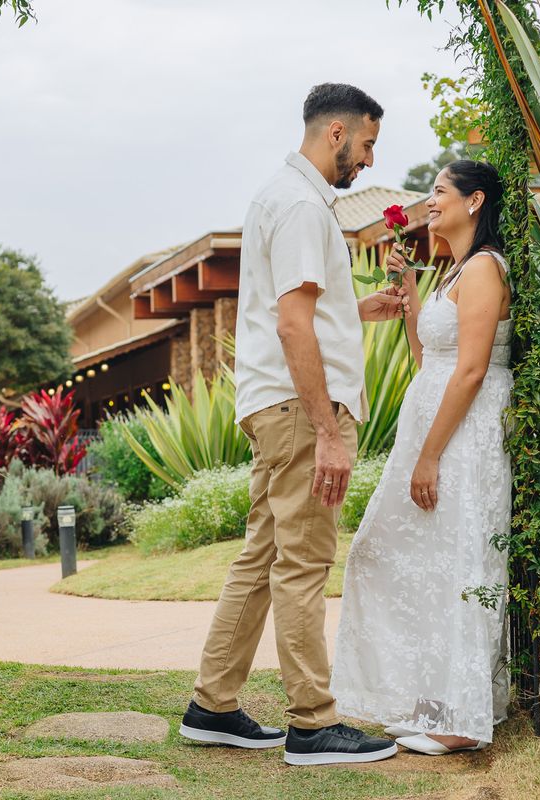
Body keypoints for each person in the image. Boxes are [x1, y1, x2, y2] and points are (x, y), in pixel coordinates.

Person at [179, 83, 409, 766]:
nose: (368, 160)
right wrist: (329, 433)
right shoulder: (306, 207)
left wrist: (359, 308)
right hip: (301, 410)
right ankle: (312, 722)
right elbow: (290, 323)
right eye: (367, 144)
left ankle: (212, 704)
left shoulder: (278, 196)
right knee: (305, 562)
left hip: (269, 404)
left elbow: (298, 309)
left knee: (262, 556)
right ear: (336, 133)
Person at [330, 159, 513, 755]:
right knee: (392, 556)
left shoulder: (484, 269)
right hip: (429, 429)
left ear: (474, 200)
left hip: (463, 434)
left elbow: (472, 370)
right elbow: (426, 361)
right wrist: (410, 295)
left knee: (459, 562)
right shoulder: (449, 271)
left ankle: (460, 719)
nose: (429, 202)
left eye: (438, 192)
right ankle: (428, 700)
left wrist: (431, 456)